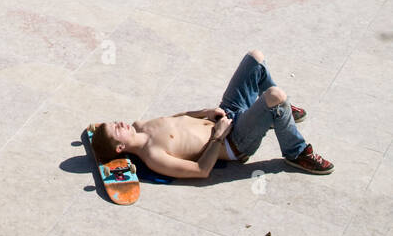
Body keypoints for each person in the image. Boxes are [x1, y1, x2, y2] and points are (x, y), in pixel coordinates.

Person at [92, 49, 333, 177]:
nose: (120, 123)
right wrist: (218, 137)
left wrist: (203, 111)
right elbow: (201, 171)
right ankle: (297, 152)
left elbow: (178, 118)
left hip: (224, 114)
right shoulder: (153, 157)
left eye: (115, 122)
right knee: (275, 96)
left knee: (255, 58)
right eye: (116, 129)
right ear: (120, 149)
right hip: (233, 140)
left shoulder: (141, 124)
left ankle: (279, 113)